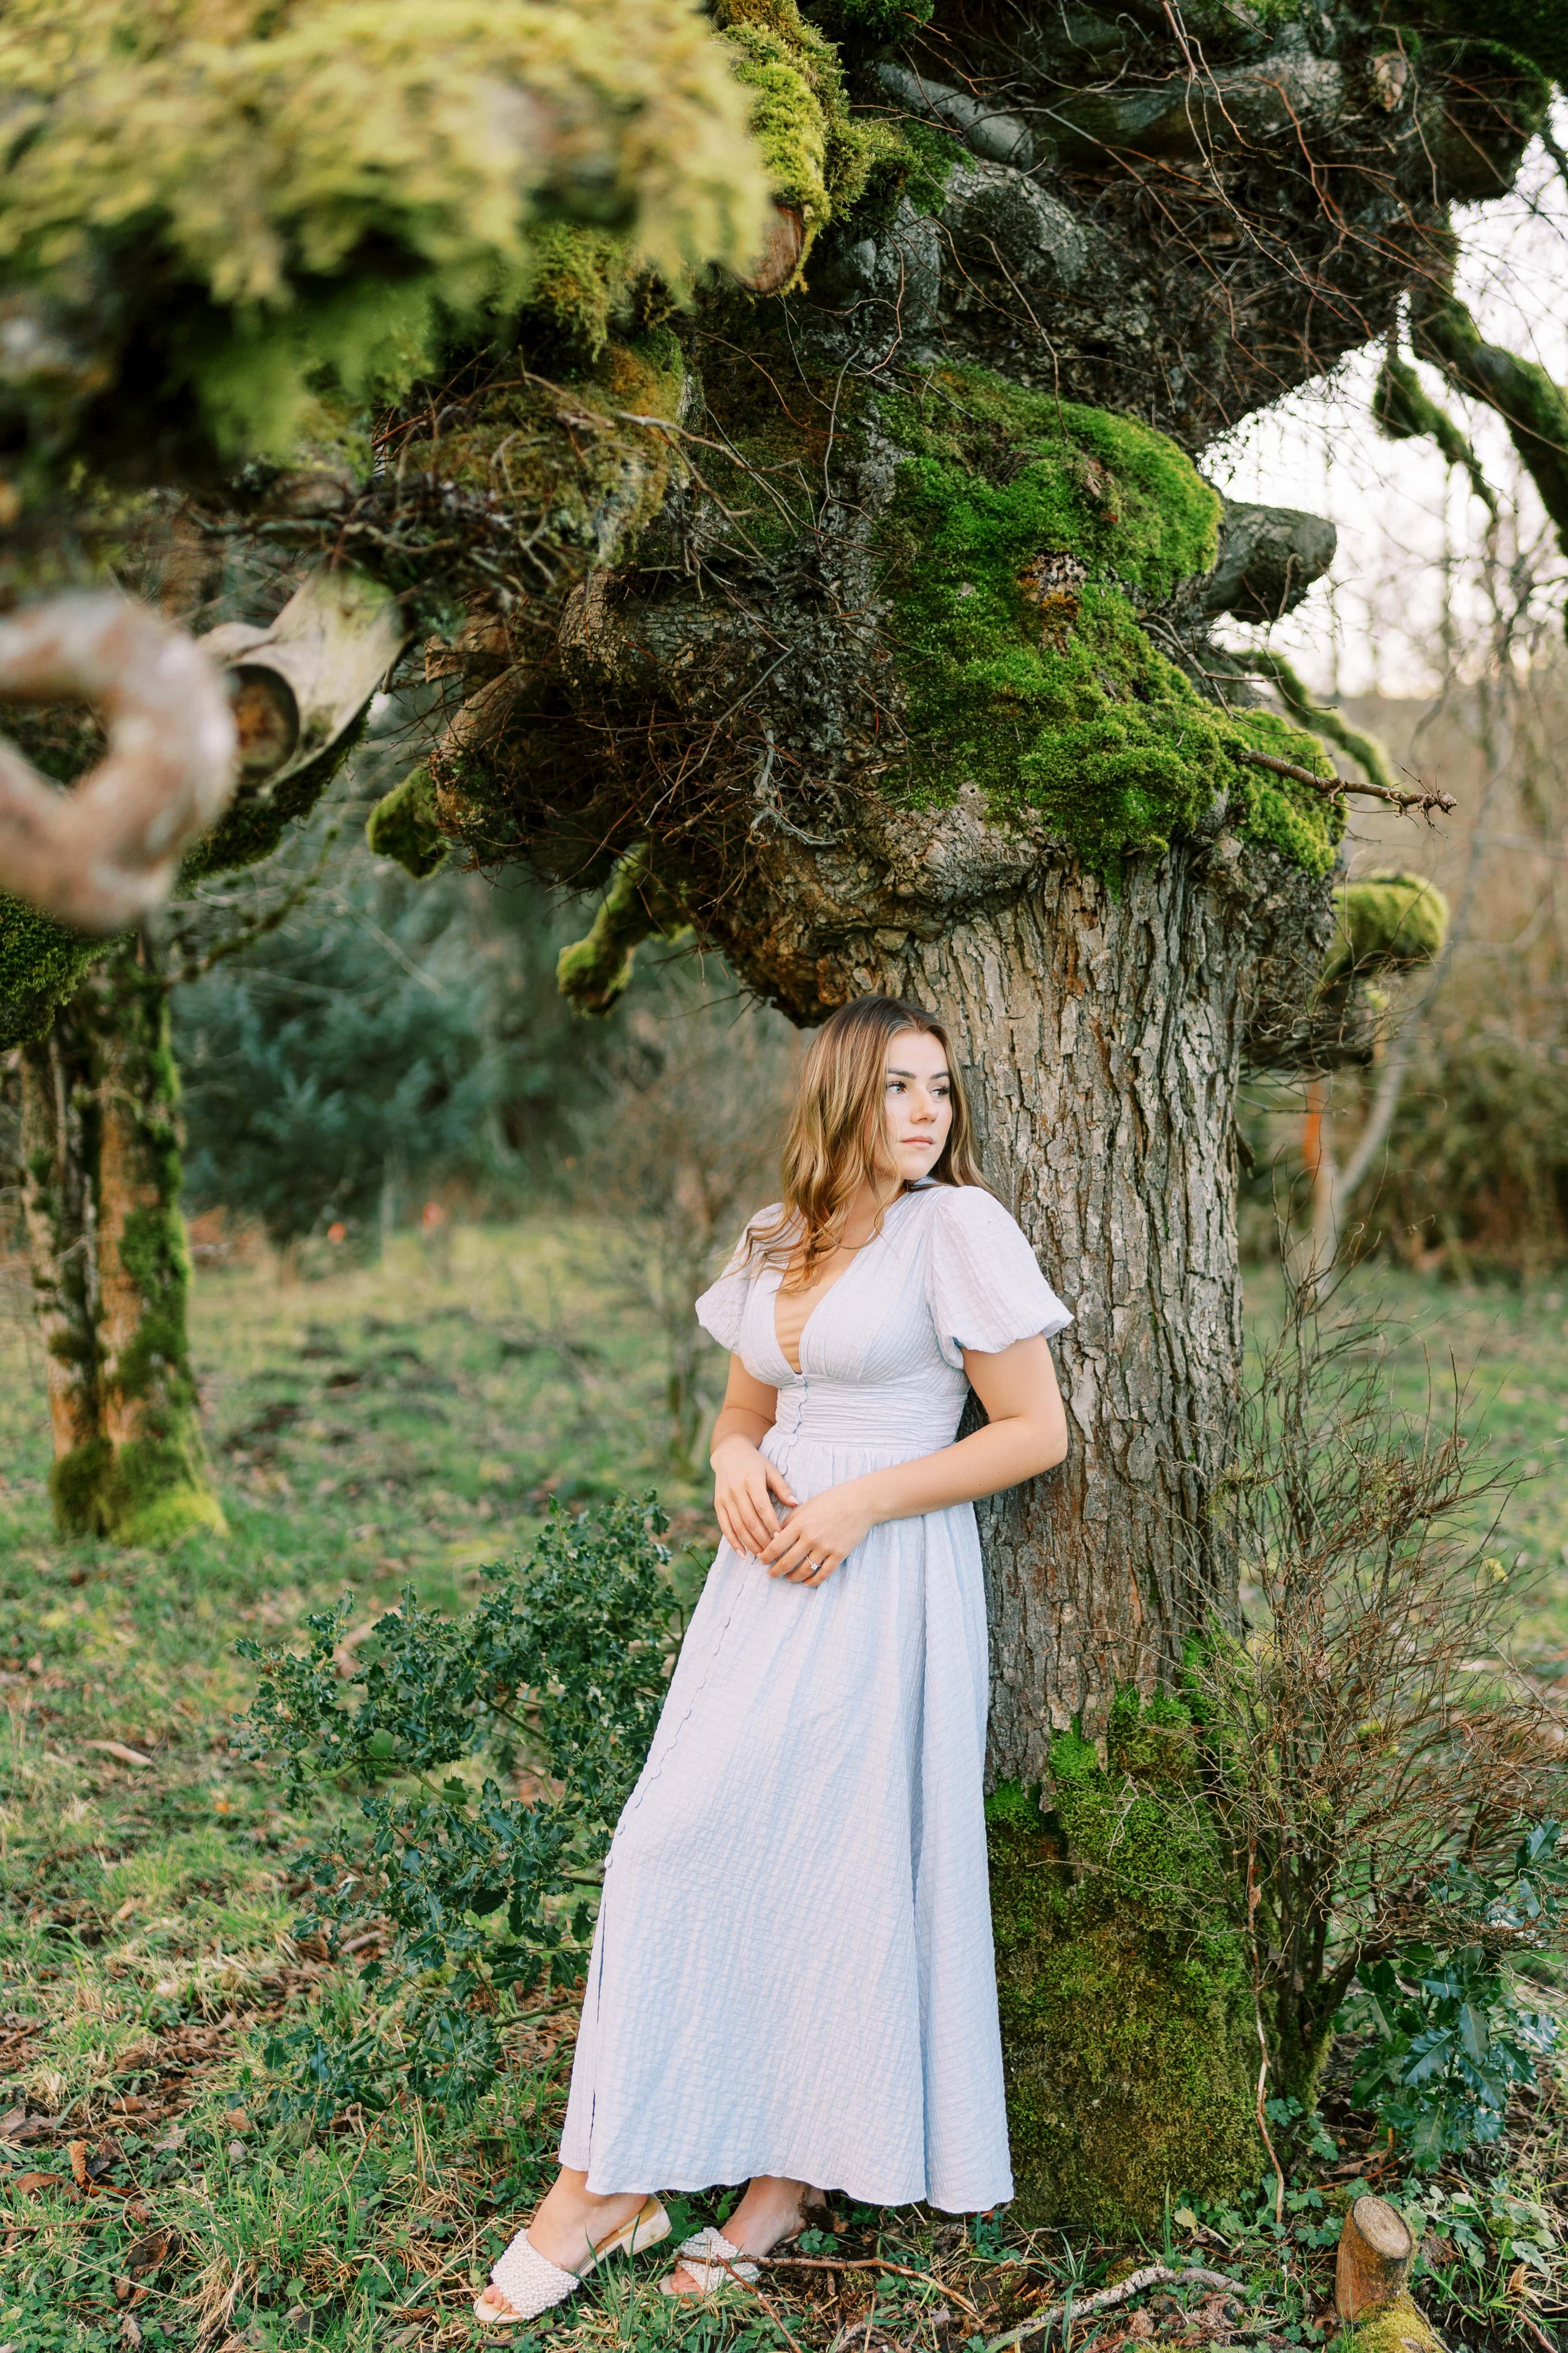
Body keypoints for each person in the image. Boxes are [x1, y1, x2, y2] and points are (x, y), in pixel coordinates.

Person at [477, 993, 1072, 2324]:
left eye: (940, 1087)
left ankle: (769, 2187)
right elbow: (744, 1409)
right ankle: (619, 2181)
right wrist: (735, 1462)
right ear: (839, 1097)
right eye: (898, 1085)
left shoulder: (955, 1229)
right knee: (668, 1845)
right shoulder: (776, 1234)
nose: (926, 1111)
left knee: (841, 1866)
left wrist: (861, 1503)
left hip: (885, 1577)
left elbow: (1033, 1429)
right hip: (759, 1586)